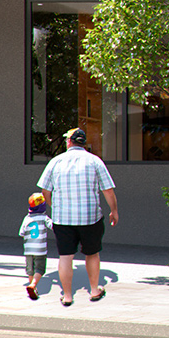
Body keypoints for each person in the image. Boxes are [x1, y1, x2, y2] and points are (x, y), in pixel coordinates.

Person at [37, 127, 118, 306]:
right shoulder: (94, 161)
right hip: (90, 218)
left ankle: (67, 296)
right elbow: (108, 190)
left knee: (66, 257)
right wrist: (114, 210)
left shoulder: (56, 162)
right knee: (92, 253)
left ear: (69, 142)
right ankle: (95, 290)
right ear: (83, 142)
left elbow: (45, 191)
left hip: (62, 219)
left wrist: (53, 206)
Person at [19, 193, 50, 301]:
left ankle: (33, 287)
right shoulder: (43, 217)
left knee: (30, 269)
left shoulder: (26, 218)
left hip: (28, 250)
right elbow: (52, 225)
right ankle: (33, 285)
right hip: (40, 249)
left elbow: (21, 233)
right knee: (39, 269)